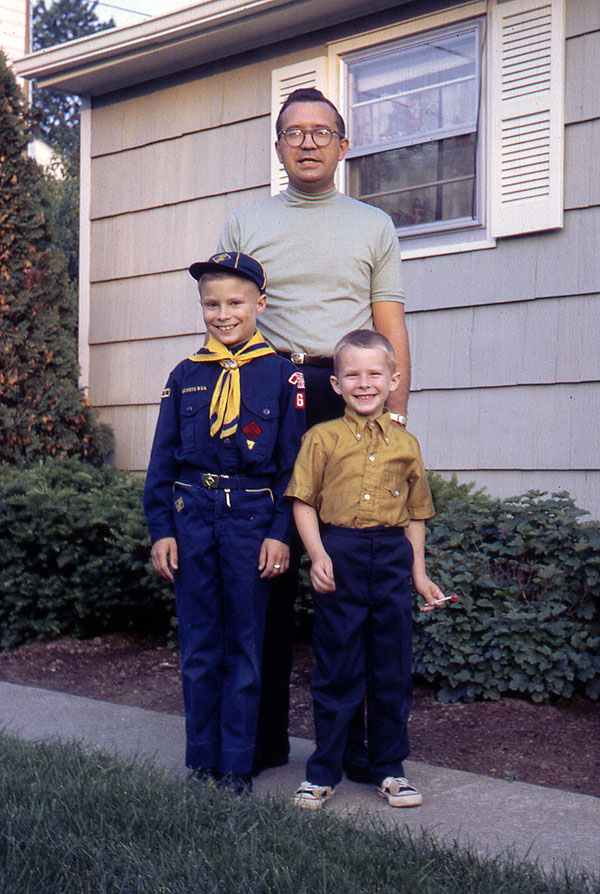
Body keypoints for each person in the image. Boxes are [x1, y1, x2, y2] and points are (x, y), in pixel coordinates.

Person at [217, 87, 410, 777]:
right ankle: (259, 741)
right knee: (262, 569)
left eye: (320, 131)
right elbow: (226, 321)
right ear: (277, 145)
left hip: (347, 398)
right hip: (265, 398)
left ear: (342, 145)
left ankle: (356, 750)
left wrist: (390, 424)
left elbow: (389, 330)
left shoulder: (373, 225)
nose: (306, 142)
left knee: (351, 579)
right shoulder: (244, 224)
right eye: (293, 132)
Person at [143, 251, 305, 793]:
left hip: (252, 522)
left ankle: (236, 763)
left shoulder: (282, 376)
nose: (222, 313)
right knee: (199, 643)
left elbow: (292, 468)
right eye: (211, 303)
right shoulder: (185, 375)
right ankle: (200, 760)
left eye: (235, 302)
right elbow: (162, 461)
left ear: (260, 303)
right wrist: (161, 529)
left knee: (245, 644)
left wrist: (281, 534)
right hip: (193, 518)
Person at [285, 329, 445, 810]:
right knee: (338, 666)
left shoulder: (406, 444)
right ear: (336, 385)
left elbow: (416, 514)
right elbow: (303, 502)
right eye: (352, 374)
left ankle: (389, 768)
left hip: (392, 558)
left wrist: (418, 574)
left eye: (375, 373)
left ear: (394, 380)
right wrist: (318, 555)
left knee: (390, 667)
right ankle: (326, 770)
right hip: (341, 554)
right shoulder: (322, 438)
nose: (364, 383)